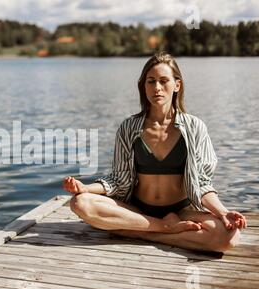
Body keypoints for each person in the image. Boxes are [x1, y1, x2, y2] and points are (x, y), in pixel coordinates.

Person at [62, 52, 246, 253]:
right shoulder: (129, 127)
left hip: (181, 212)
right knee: (81, 203)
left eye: (163, 81)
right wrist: (85, 188)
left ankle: (137, 233)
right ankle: (163, 228)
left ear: (177, 85)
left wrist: (223, 212)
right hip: (138, 211)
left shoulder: (195, 128)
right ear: (143, 86)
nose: (157, 88)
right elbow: (119, 180)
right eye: (151, 81)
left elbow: (202, 183)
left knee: (229, 237)